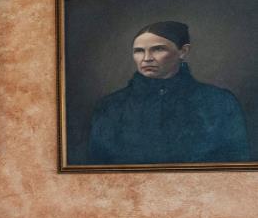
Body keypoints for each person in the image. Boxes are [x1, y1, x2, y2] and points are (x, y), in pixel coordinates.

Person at [87, 21, 250, 165]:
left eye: (158, 49)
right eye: (138, 51)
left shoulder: (219, 101)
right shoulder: (110, 106)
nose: (146, 58)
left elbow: (236, 162)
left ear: (183, 52)